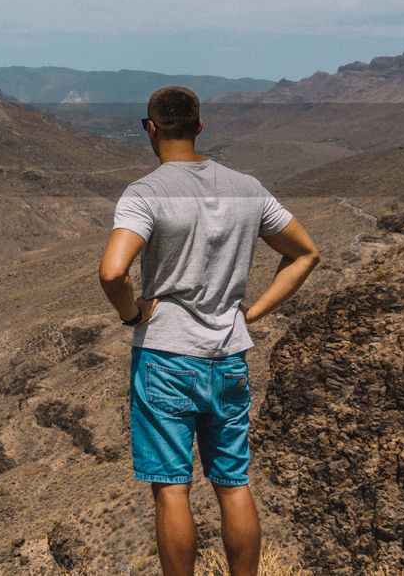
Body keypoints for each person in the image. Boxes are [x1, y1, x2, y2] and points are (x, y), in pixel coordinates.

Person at [99, 86, 319, 576]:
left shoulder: (146, 193)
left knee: (173, 489)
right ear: (200, 127)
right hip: (229, 358)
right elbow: (305, 253)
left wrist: (132, 316)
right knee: (233, 484)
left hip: (166, 360)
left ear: (149, 129)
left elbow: (113, 272)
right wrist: (254, 311)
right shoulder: (247, 187)